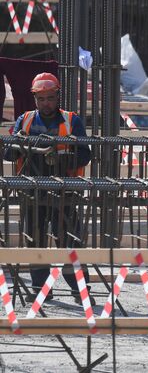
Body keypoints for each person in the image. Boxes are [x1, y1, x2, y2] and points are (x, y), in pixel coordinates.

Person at [5, 72, 94, 306]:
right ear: (35, 99)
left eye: (50, 98)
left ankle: (80, 290)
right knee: (34, 241)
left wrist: (62, 157)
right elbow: (7, 153)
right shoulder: (24, 120)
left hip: (64, 192)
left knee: (69, 241)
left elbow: (86, 154)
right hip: (32, 193)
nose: (46, 103)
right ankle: (39, 289)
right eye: (41, 99)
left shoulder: (71, 121)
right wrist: (21, 145)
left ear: (57, 96)